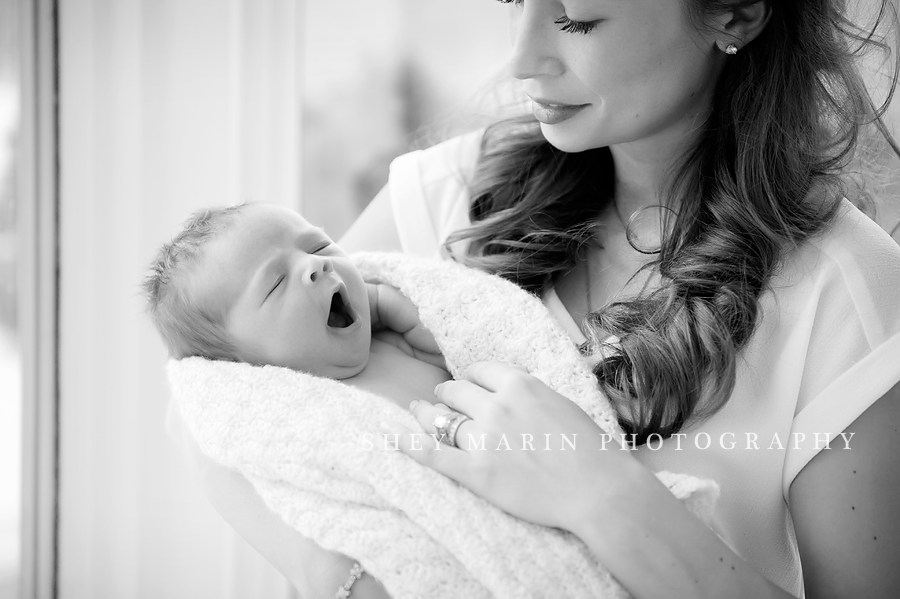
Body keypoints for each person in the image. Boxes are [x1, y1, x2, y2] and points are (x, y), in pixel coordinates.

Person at [167, 0, 900, 597]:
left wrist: (599, 492)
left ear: (735, 14)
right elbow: (212, 395)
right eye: (516, 0)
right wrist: (336, 574)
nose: (522, 60)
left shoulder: (849, 294)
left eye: (576, 18)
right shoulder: (447, 197)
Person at [144, 202, 449, 406]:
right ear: (241, 367)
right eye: (276, 283)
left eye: (319, 246)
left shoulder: (398, 343)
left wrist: (412, 318)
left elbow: (465, 352)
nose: (316, 264)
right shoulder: (306, 411)